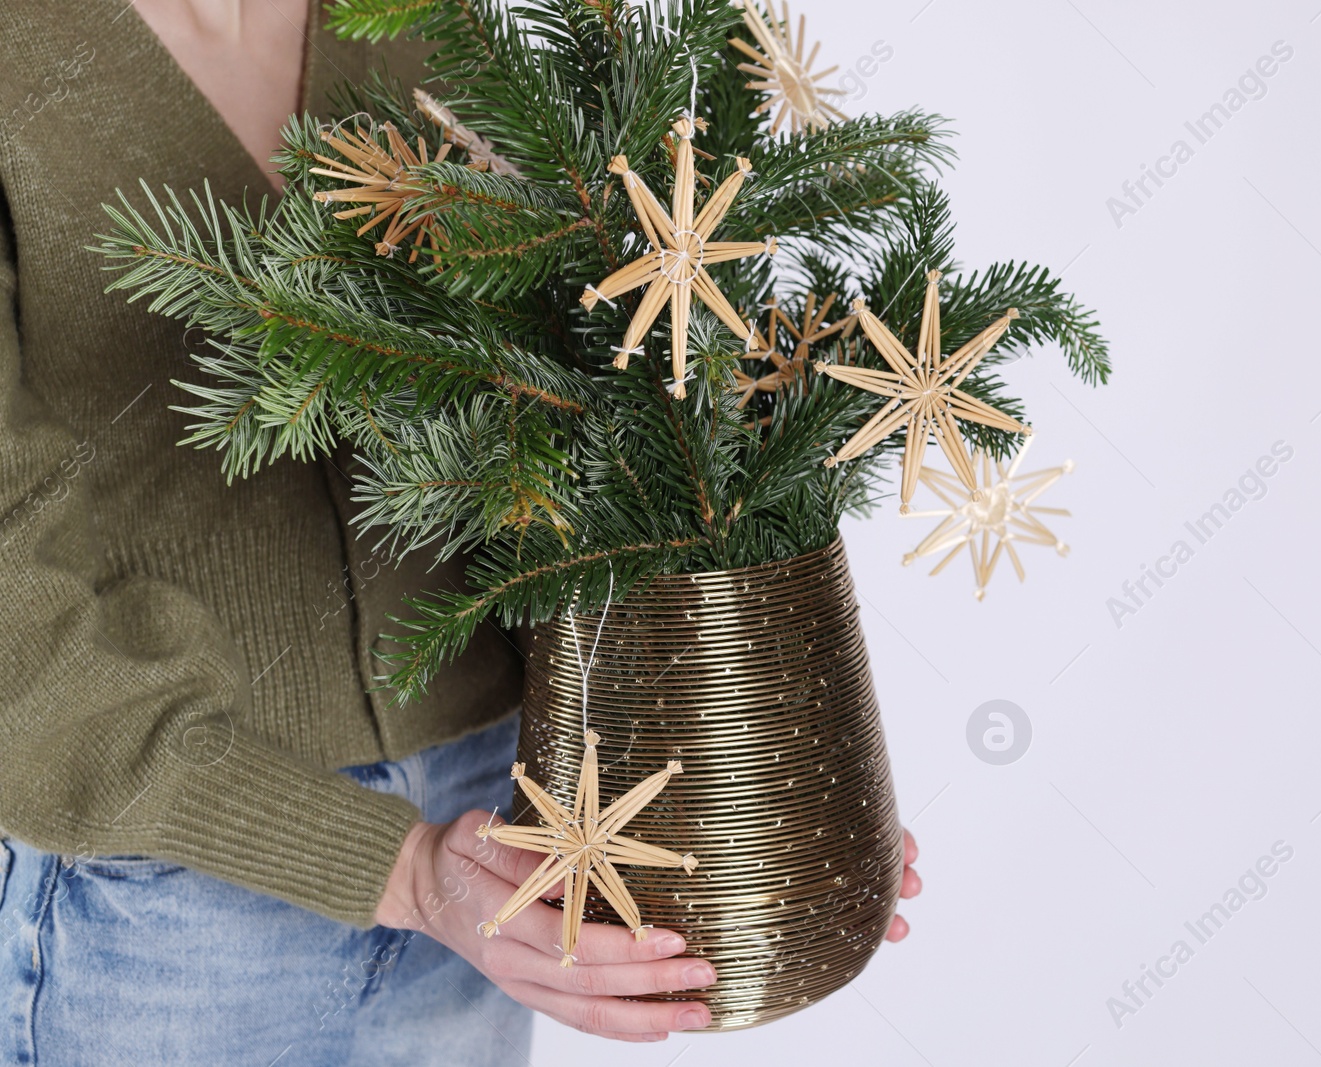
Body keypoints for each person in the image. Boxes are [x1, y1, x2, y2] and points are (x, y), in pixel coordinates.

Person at [0, 1, 921, 1062]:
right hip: (168, 875)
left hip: (503, 820)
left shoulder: (421, 19)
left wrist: (756, 747)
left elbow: (604, 409)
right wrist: (391, 867)